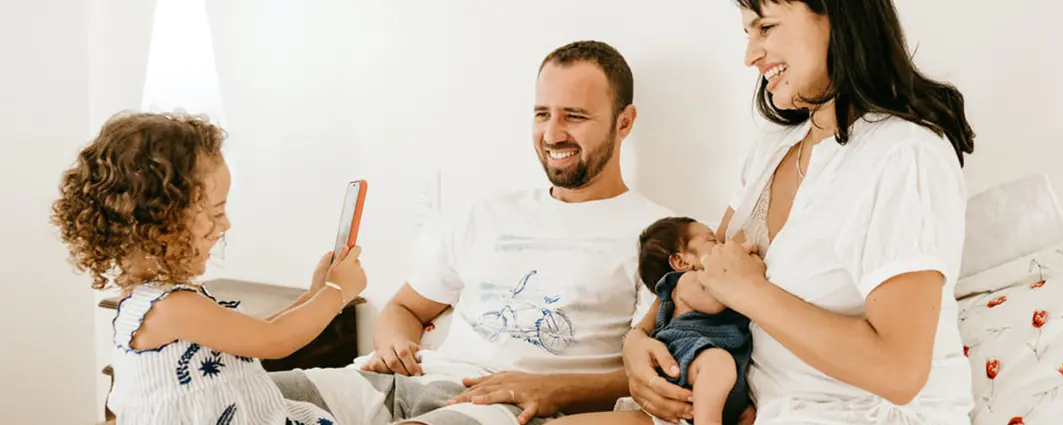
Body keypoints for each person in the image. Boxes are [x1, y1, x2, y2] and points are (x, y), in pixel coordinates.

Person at [575, 0, 979, 424]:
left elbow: (899, 371)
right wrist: (637, 342)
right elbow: (711, 273)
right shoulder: (776, 145)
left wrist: (754, 294)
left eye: (765, 28)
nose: (750, 55)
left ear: (839, 17)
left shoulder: (904, 155)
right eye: (748, 34)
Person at [268, 40, 675, 425]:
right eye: (541, 114)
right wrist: (394, 346)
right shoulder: (486, 212)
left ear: (625, 122)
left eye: (574, 116)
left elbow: (656, 375)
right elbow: (405, 308)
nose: (552, 134)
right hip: (401, 381)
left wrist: (554, 389)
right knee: (239, 393)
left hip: (496, 406)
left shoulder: (662, 236)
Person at [50, 112, 369, 425]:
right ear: (161, 222)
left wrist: (315, 294)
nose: (225, 224)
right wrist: (336, 294)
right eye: (216, 213)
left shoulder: (161, 300)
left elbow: (251, 338)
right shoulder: (171, 308)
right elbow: (274, 340)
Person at [635, 217, 753, 425]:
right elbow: (716, 301)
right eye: (712, 241)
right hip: (686, 355)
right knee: (717, 363)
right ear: (682, 262)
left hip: (724, 374)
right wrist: (741, 259)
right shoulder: (687, 281)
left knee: (749, 412)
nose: (722, 245)